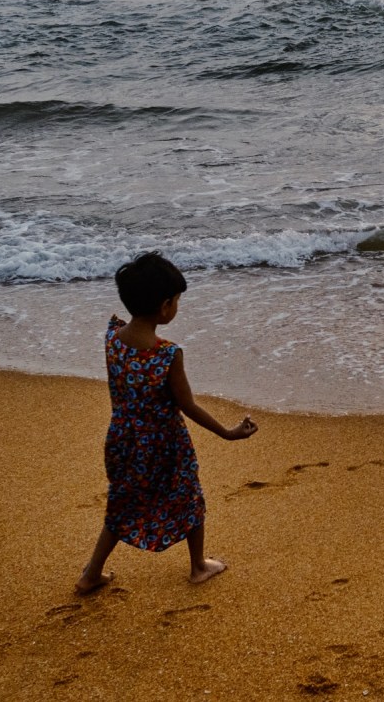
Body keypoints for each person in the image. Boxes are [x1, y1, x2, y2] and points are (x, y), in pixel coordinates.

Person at [75, 252, 257, 596]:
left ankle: (91, 573)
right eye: (176, 300)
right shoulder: (167, 355)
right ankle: (198, 566)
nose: (177, 306)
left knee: (122, 502)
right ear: (165, 306)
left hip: (123, 440)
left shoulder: (113, 338)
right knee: (190, 498)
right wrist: (228, 433)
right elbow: (187, 406)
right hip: (164, 445)